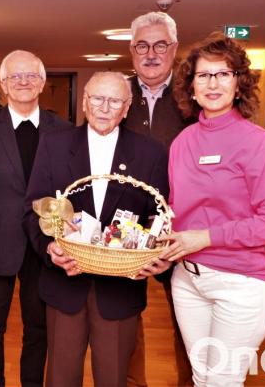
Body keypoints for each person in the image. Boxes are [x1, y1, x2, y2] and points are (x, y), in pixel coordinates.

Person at [157, 34, 265, 386]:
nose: (212, 83)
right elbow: (177, 208)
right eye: (203, 75)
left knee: (221, 381)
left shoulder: (261, 144)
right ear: (191, 85)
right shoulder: (183, 142)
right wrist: (155, 245)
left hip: (240, 283)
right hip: (187, 280)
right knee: (202, 376)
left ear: (239, 83)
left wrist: (206, 236)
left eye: (223, 74)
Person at [23, 71, 171, 386]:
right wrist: (50, 250)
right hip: (65, 284)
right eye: (97, 98)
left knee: (114, 378)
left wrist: (153, 253)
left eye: (114, 100)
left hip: (120, 290)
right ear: (85, 102)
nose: (104, 107)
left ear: (127, 107)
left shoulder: (151, 153)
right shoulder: (54, 145)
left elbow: (158, 218)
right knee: (61, 378)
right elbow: (32, 209)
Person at [0, 50, 71, 387]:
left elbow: (70, 189)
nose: (23, 82)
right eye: (15, 76)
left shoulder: (63, 129)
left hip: (44, 244)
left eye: (31, 76)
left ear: (41, 83)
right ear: (3, 84)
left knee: (38, 327)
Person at [121, 11, 195, 386]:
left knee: (187, 318)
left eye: (160, 45)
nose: (151, 54)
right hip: (124, 227)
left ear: (174, 49)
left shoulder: (193, 95)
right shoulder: (117, 96)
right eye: (142, 46)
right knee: (124, 318)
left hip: (182, 228)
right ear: (131, 50)